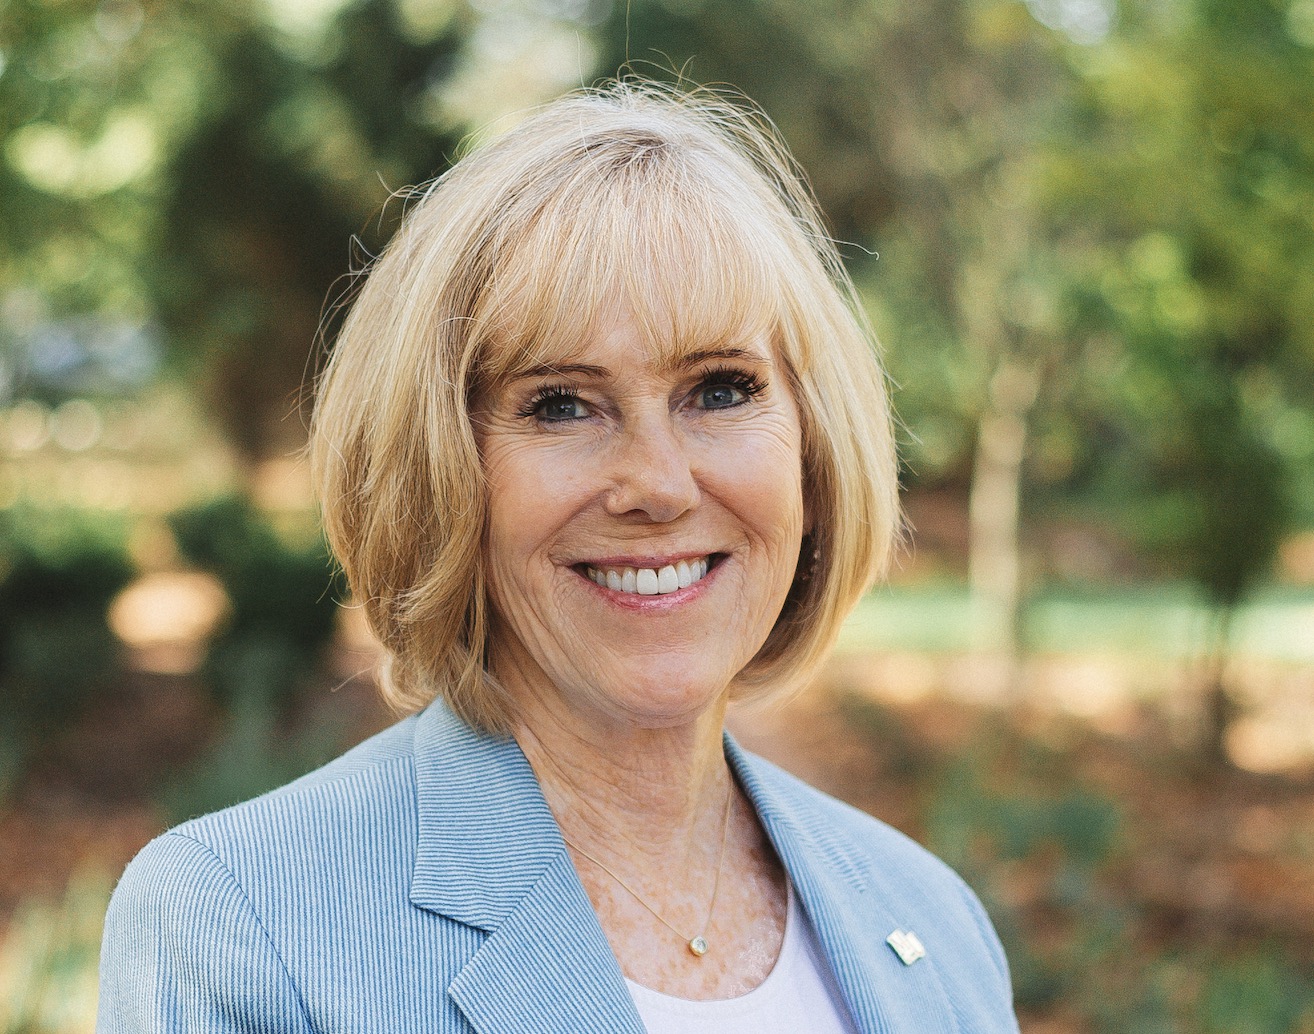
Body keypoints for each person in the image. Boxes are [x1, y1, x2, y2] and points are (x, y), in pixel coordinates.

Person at [97, 80, 1019, 1033]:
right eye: (561, 404)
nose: (658, 484)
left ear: (814, 449)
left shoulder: (932, 920)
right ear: (444, 468)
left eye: (719, 389)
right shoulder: (246, 926)